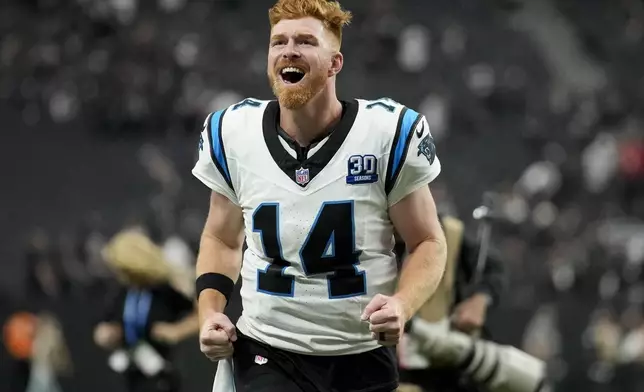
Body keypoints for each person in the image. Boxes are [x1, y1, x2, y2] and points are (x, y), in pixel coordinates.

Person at [192, 1, 447, 391]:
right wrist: (210, 312)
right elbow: (222, 239)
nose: (289, 50)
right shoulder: (232, 133)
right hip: (267, 349)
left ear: (335, 63)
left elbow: (427, 240)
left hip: (361, 352)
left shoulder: (385, 133)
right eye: (279, 42)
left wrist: (402, 304)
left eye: (306, 41)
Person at [397, 213, 507, 392]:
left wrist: (479, 301)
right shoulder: (354, 237)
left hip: (441, 367)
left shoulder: (449, 233)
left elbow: (493, 269)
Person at [94, 229, 199, 392]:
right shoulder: (123, 293)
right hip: (132, 373)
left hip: (163, 372)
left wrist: (176, 331)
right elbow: (105, 324)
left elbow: (200, 315)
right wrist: (106, 334)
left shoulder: (163, 290)